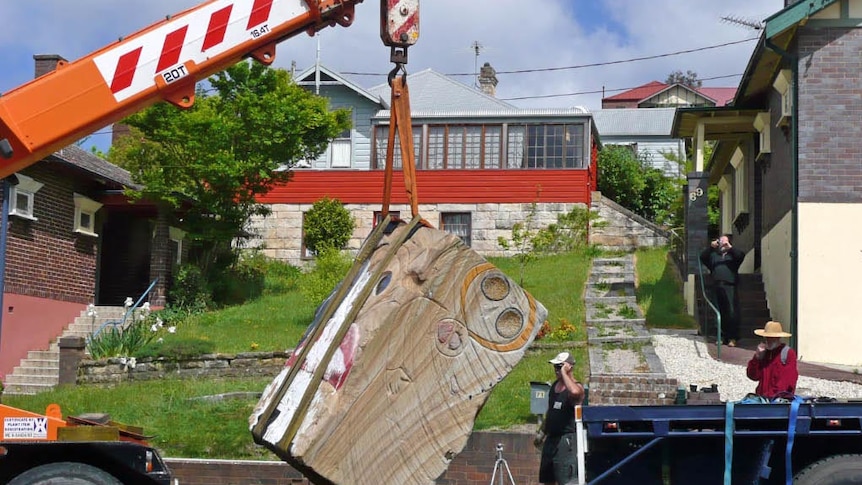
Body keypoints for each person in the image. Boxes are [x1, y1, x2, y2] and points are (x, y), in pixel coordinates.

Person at [536, 351, 585, 485]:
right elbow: (550, 412)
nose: (556, 370)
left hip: (566, 439)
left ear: (569, 367)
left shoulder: (577, 387)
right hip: (551, 438)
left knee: (565, 479)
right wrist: (542, 432)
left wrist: (564, 373)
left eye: (559, 366)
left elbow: (575, 392)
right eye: (555, 367)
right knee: (547, 477)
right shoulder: (554, 387)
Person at [699, 234, 746, 346]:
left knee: (731, 311)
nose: (722, 244)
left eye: (725, 242)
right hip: (716, 286)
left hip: (730, 286)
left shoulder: (733, 256)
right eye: (721, 241)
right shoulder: (714, 256)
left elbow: (740, 256)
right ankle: (720, 337)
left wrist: (729, 247)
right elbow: (702, 257)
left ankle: (732, 338)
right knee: (718, 312)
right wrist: (711, 247)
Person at [746, 321, 798, 399]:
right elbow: (753, 376)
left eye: (771, 338)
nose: (768, 340)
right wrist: (757, 358)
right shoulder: (764, 352)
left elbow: (787, 382)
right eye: (767, 337)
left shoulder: (788, 354)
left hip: (778, 402)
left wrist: (769, 397)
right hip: (763, 399)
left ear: (778, 338)